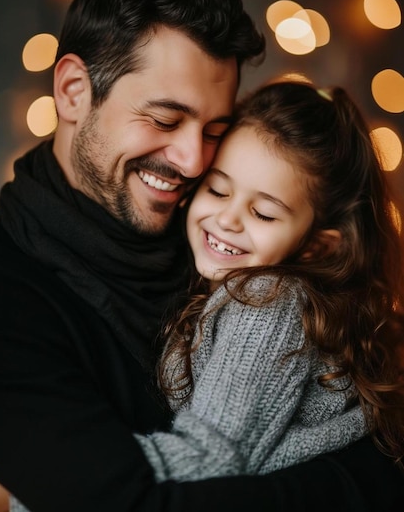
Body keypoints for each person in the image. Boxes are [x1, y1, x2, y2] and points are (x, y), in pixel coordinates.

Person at [0, 0, 402, 512]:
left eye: (214, 130)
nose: (190, 161)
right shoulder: (2, 297)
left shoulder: (228, 249)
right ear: (72, 91)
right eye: (163, 119)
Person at [132, 80, 404, 481]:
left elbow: (210, 454)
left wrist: (66, 478)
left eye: (263, 214)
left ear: (315, 246)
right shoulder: (235, 290)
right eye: (218, 190)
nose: (227, 219)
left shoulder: (266, 300)